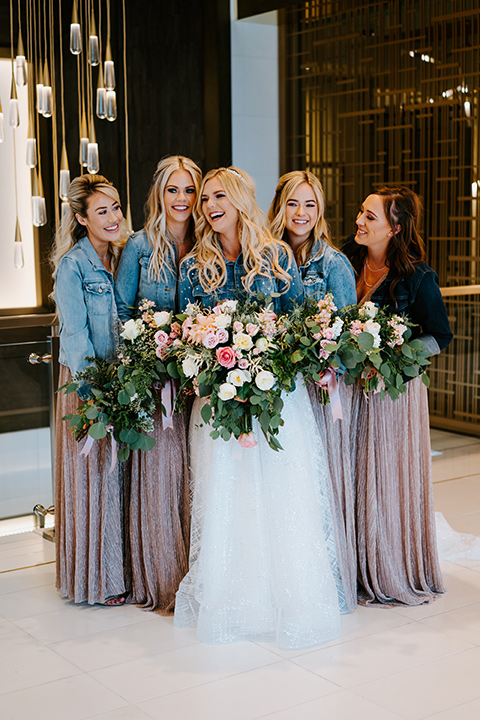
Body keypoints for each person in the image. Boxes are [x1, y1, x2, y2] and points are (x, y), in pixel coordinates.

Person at [174, 166, 343, 649]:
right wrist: (221, 364)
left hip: (274, 396)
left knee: (279, 495)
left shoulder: (275, 255)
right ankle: (235, 599)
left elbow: (293, 327)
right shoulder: (194, 265)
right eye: (204, 198)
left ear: (242, 199)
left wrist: (262, 365)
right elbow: (190, 328)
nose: (208, 205)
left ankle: (283, 597)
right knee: (229, 495)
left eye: (218, 195)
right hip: (219, 400)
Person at [343, 185, 453, 606]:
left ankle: (389, 563)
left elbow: (439, 335)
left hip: (393, 395)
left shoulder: (418, 277)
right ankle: (355, 561)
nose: (360, 220)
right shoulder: (343, 261)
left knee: (385, 481)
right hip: (349, 392)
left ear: (395, 228)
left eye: (370, 216)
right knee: (352, 475)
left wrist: (395, 358)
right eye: (361, 211)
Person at [115, 155, 202, 613]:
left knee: (195, 475)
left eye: (190, 190)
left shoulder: (208, 244)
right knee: (159, 474)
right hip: (153, 381)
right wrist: (138, 362)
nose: (182, 200)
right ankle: (159, 573)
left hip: (201, 379)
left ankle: (198, 572)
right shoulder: (139, 246)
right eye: (174, 190)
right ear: (159, 194)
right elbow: (122, 311)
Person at [268, 170, 358, 613]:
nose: (300, 214)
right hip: (280, 389)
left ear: (320, 211)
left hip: (319, 393)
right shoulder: (266, 257)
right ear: (279, 207)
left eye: (309, 205)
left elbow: (347, 332)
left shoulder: (335, 263)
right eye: (292, 204)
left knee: (320, 485)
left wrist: (330, 368)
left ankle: (329, 581)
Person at [52, 174, 129, 606]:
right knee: (92, 478)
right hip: (88, 383)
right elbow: (77, 339)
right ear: (82, 219)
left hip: (120, 382)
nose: (114, 217)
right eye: (102, 211)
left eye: (116, 206)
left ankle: (117, 570)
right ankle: (96, 580)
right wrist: (94, 396)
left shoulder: (122, 258)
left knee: (116, 478)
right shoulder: (74, 265)